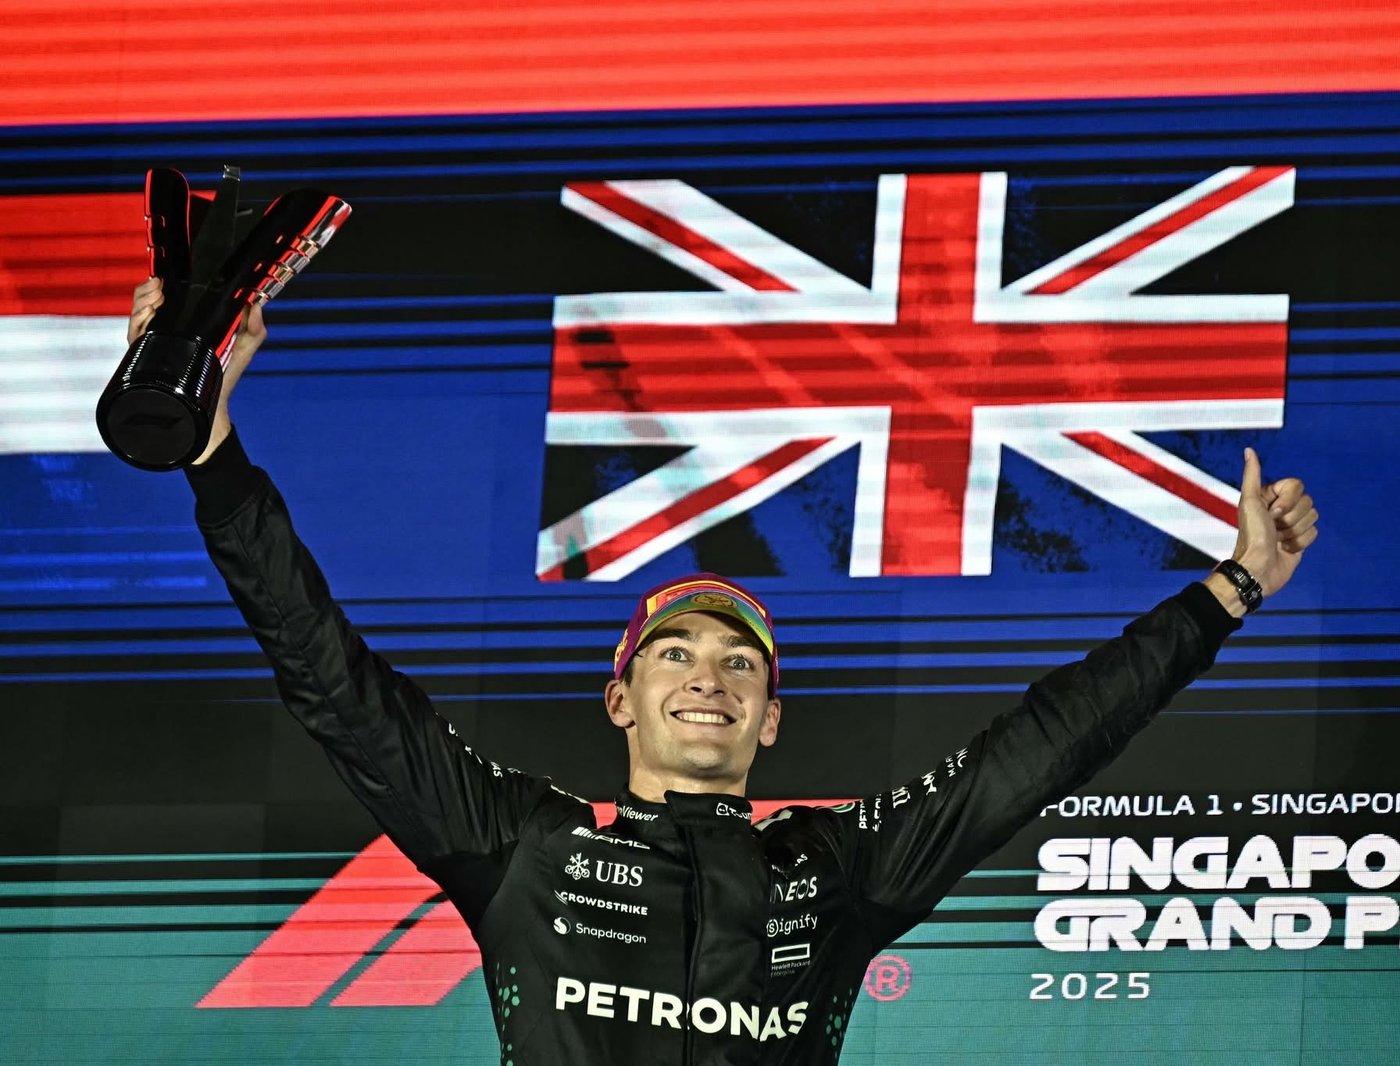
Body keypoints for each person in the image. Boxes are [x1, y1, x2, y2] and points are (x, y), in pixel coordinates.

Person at [128, 278, 1319, 1066]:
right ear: (621, 698)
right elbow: (332, 678)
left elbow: (1044, 745)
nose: (709, 678)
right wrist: (213, 454)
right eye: (676, 653)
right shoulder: (520, 845)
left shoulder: (837, 866)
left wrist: (1229, 590)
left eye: (739, 663)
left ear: (769, 719)